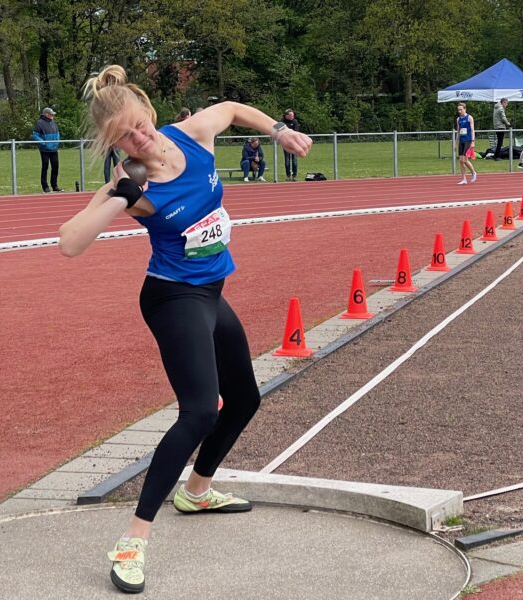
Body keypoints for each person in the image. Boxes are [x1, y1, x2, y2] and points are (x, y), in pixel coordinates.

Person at [58, 64, 312, 594]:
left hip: (212, 293)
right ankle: (132, 540)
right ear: (113, 141)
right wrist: (121, 199)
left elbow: (233, 109)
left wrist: (278, 131)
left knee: (244, 400)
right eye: (124, 135)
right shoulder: (130, 182)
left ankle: (196, 491)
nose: (139, 137)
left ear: (150, 113)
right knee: (199, 411)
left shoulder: (191, 134)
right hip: (172, 298)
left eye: (140, 124)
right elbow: (69, 241)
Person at [31, 107, 61, 193]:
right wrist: (43, 143)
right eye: (51, 114)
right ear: (46, 114)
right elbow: (35, 136)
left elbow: (57, 133)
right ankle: (45, 187)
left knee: (55, 167)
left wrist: (57, 141)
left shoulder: (53, 123)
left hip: (54, 149)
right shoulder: (39, 123)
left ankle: (54, 185)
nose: (53, 116)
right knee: (45, 167)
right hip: (45, 150)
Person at [454, 102, 478, 184]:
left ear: (465, 109)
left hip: (468, 140)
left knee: (464, 159)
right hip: (461, 140)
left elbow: (472, 130)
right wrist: (455, 143)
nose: (459, 111)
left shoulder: (469, 117)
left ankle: (473, 172)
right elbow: (458, 131)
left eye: (461, 109)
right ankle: (464, 179)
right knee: (460, 160)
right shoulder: (458, 119)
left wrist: (473, 141)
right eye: (458, 110)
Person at [279, 109, 301, 181]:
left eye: (293, 115)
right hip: (286, 143)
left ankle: (294, 175)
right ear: (286, 116)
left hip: (294, 143)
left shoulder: (295, 121)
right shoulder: (281, 121)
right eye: (291, 115)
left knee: (294, 160)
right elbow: (279, 130)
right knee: (287, 160)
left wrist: (288, 133)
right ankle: (288, 175)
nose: (292, 116)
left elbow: (296, 131)